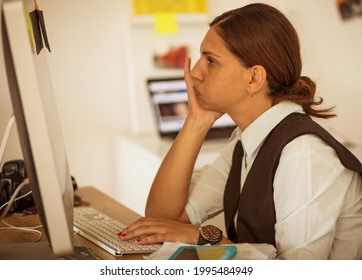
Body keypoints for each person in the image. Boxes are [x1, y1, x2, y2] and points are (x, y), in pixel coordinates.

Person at [119, 3, 362, 259]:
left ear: (254, 78)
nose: (194, 73)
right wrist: (196, 121)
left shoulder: (303, 154)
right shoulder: (245, 143)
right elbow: (162, 220)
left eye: (210, 61)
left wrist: (203, 238)